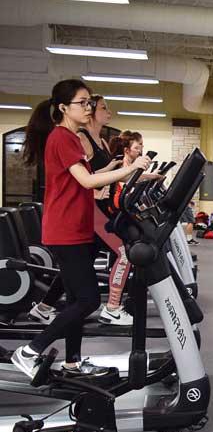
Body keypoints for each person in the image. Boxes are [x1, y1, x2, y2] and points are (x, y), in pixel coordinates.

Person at [11, 79, 150, 379]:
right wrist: (131, 168)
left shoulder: (71, 138)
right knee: (87, 300)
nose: (88, 108)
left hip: (76, 227)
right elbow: (87, 183)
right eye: (82, 103)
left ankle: (72, 362)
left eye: (89, 102)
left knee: (76, 300)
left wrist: (131, 174)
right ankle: (29, 351)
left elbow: (90, 176)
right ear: (63, 108)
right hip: (65, 230)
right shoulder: (61, 138)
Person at [28, 94, 135, 326]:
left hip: (96, 209)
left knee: (80, 266)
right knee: (123, 254)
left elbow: (101, 175)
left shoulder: (102, 141)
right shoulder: (77, 138)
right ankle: (113, 307)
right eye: (103, 108)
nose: (109, 112)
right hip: (86, 211)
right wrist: (97, 186)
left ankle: (45, 308)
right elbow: (83, 179)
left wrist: (139, 174)